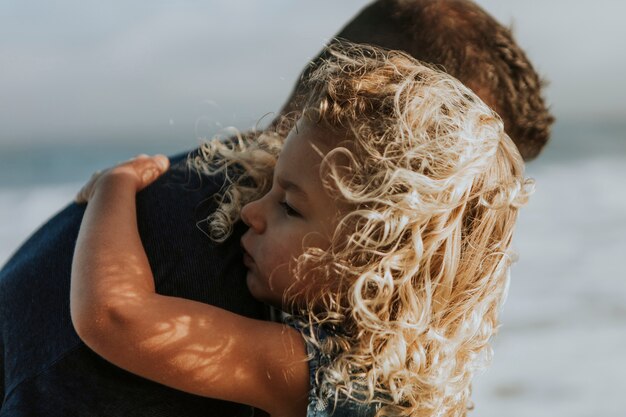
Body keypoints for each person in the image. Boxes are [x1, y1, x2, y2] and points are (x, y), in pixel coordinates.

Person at [0, 1, 553, 416]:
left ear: (381, 249)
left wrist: (115, 185)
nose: (249, 214)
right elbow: (115, 318)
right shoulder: (224, 273)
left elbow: (117, 315)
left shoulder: (180, 191)